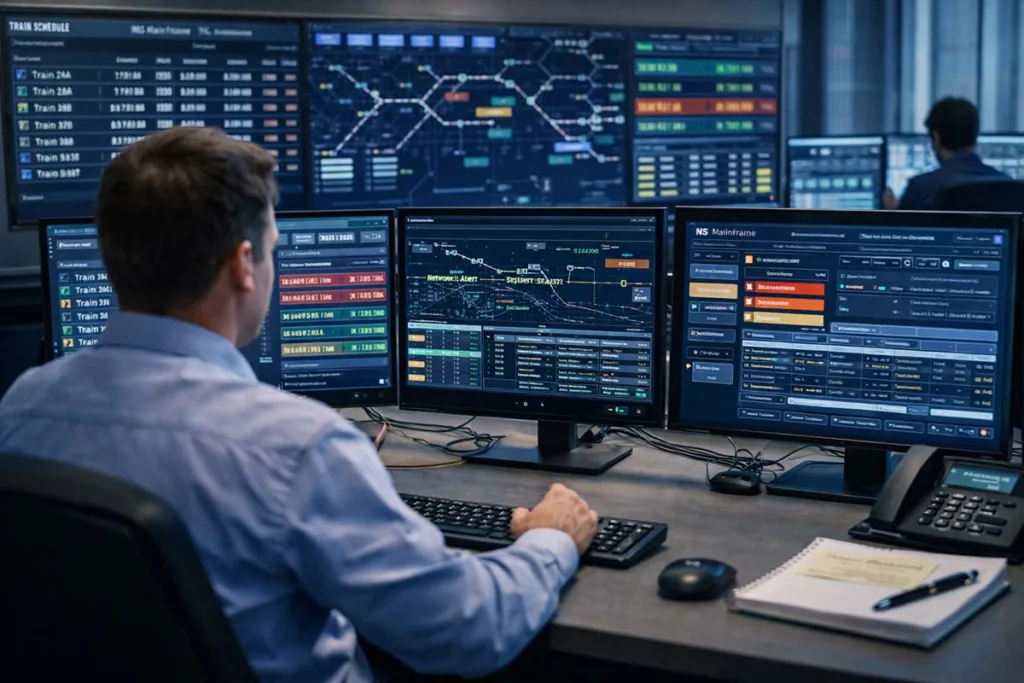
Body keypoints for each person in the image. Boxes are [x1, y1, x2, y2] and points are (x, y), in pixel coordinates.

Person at [0, 127, 599, 683]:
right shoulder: (294, 445)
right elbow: (468, 630)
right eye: (272, 250)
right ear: (242, 265)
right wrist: (550, 541)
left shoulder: (21, 407)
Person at [882, 97, 1009, 210]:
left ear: (936, 138)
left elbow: (904, 232)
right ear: (975, 136)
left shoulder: (922, 187)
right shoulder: (1008, 185)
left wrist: (893, 212)